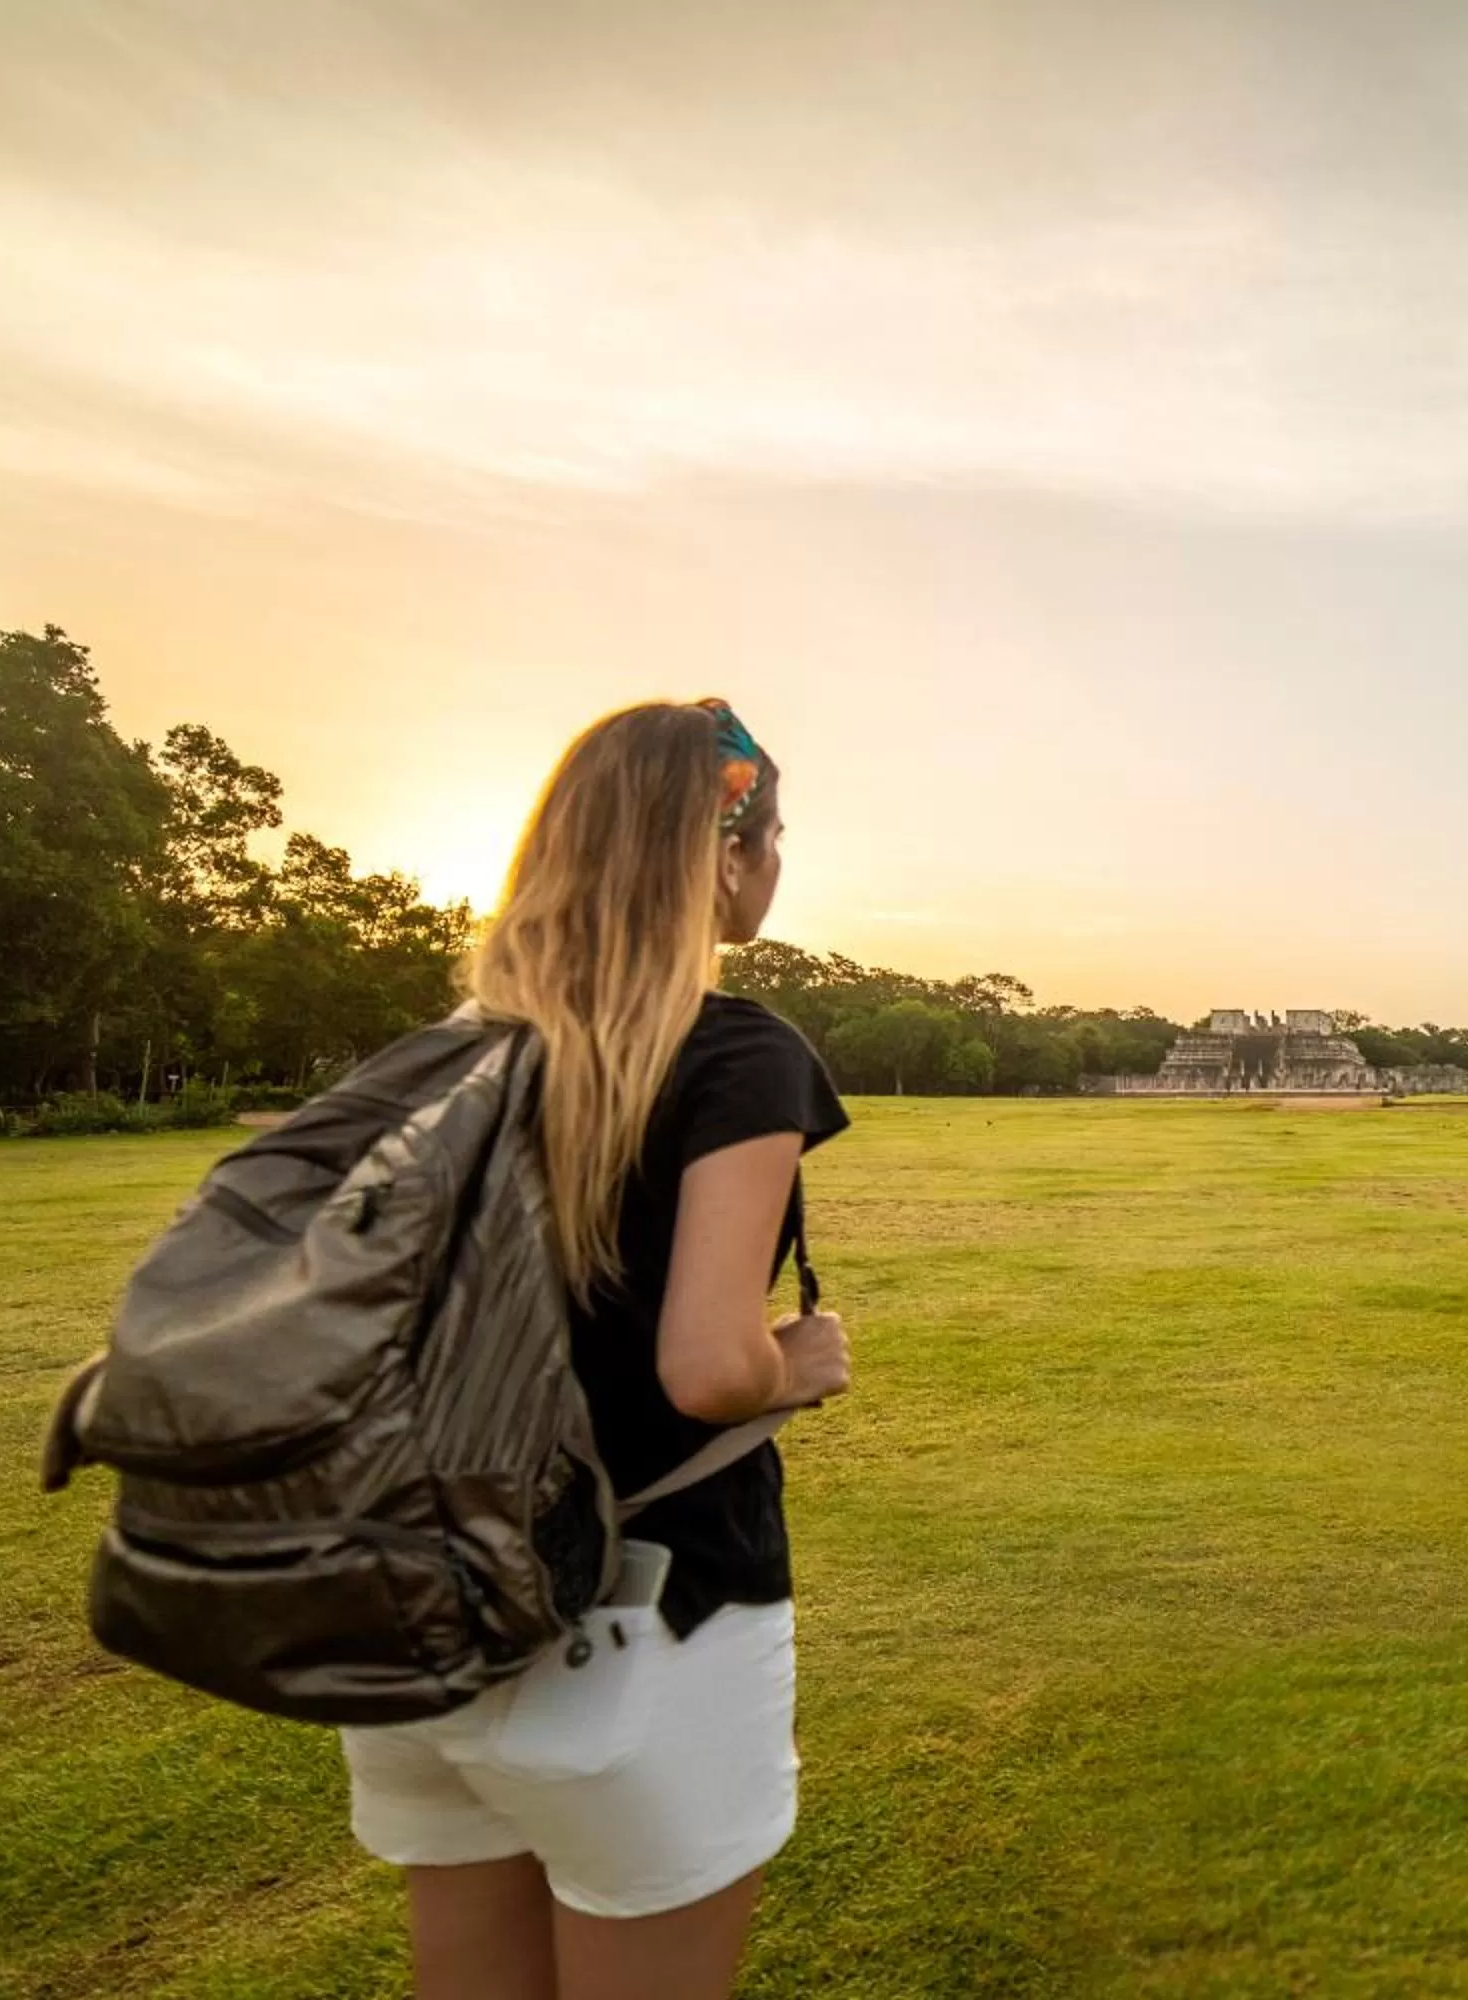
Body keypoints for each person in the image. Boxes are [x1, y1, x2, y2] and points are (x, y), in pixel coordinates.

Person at [335, 700, 852, 2000]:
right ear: (723, 857)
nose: (780, 861)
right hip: (643, 1620)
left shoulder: (441, 1059)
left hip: (422, 1612)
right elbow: (706, 1369)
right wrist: (801, 1363)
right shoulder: (737, 1051)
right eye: (772, 832)